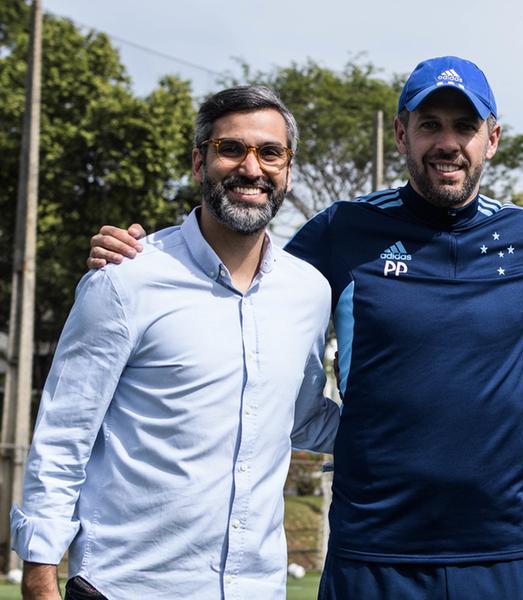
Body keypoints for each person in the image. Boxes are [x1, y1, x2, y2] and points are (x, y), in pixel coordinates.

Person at [88, 56, 523, 600]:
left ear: (493, 138)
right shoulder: (344, 229)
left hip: (498, 551)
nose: (447, 143)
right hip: (371, 552)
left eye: (465, 126)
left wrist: (520, 405)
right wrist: (148, 258)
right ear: (400, 134)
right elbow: (244, 292)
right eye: (429, 124)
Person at [12, 86, 341, 600]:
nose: (251, 168)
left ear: (288, 169)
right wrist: (39, 577)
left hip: (256, 589)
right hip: (126, 586)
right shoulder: (125, 279)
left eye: (270, 153)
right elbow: (63, 435)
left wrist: (413, 428)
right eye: (231, 149)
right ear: (198, 161)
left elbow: (299, 417)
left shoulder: (309, 293)